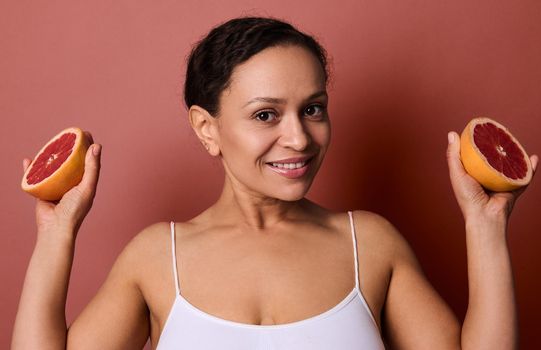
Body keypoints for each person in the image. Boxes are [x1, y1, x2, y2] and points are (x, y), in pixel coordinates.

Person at [12, 16, 538, 350]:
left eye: (312, 109)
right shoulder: (156, 257)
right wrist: (57, 234)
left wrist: (486, 225)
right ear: (207, 128)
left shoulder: (369, 244)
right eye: (266, 115)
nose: (300, 138)